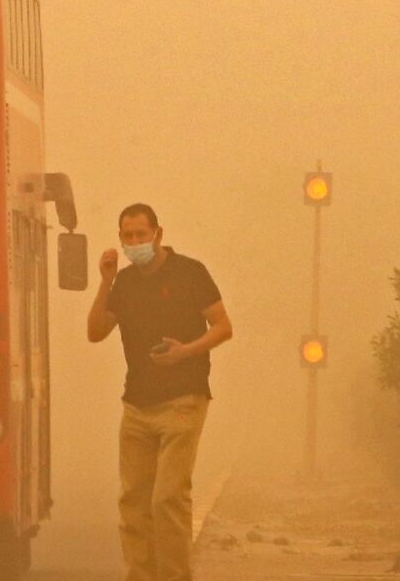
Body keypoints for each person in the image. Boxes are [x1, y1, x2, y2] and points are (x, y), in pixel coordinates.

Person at [87, 203, 233, 581]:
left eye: (141, 234)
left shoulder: (190, 273)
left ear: (158, 234)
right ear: (120, 239)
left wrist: (187, 351)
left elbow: (222, 326)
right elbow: (96, 331)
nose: (135, 242)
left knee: (167, 497)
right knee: (133, 502)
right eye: (128, 236)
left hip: (184, 399)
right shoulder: (125, 283)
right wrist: (105, 281)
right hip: (136, 404)